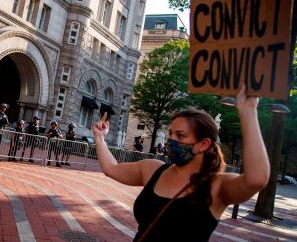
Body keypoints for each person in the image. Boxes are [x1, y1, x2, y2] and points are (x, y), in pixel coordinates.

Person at [92, 84, 270, 241]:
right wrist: (100, 139)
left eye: (180, 135)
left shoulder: (216, 186)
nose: (171, 140)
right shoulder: (152, 169)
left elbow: (256, 179)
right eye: (170, 133)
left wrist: (248, 111)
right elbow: (111, 168)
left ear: (203, 144)